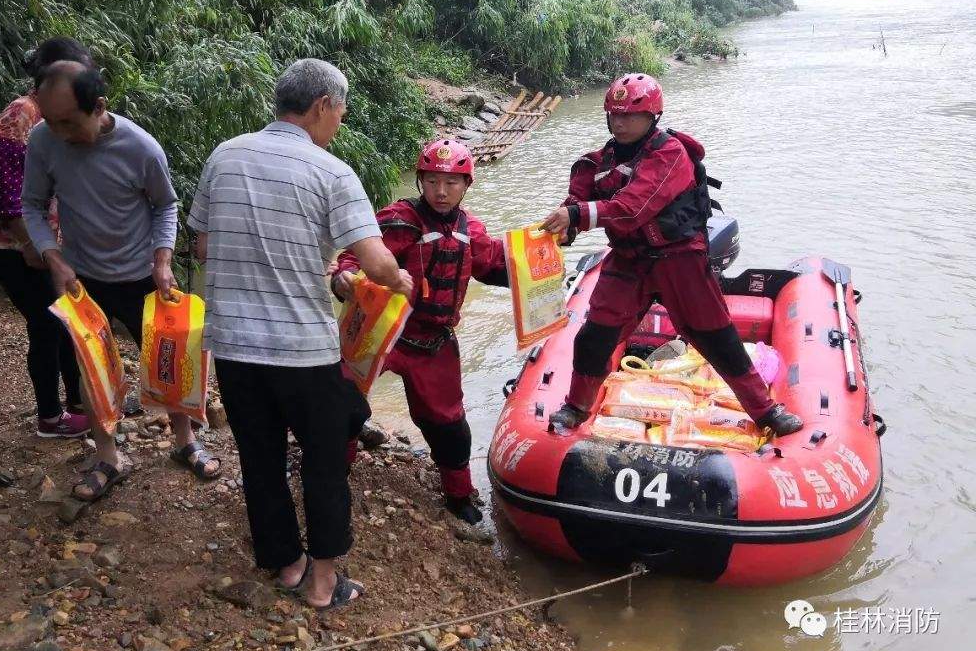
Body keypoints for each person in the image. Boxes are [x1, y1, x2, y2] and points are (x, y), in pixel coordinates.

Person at [187, 58, 412, 611]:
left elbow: (200, 247)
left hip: (235, 346)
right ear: (320, 108)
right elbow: (376, 262)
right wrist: (401, 280)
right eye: (340, 111)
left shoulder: (225, 155)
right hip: (302, 351)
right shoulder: (330, 171)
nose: (339, 121)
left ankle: (287, 565)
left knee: (259, 456)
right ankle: (323, 583)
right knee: (323, 460)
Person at [539, 73, 803, 436]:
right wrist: (564, 227)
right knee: (594, 337)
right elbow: (575, 204)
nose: (620, 122)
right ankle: (575, 407)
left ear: (653, 117)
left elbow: (632, 208)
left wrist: (577, 216)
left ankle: (766, 411)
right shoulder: (593, 165)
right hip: (629, 260)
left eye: (630, 115)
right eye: (614, 114)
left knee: (717, 338)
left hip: (680, 260)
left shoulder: (670, 155)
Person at [22, 60, 222, 501]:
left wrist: (163, 258)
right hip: (80, 279)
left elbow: (165, 206)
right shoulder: (43, 139)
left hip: (140, 275)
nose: (60, 133)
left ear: (99, 107)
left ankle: (184, 441)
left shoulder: (141, 148)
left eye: (70, 123)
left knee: (168, 358)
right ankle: (108, 456)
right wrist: (53, 258)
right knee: (89, 367)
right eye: (51, 121)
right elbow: (32, 206)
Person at [331, 139, 508, 525]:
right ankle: (333, 475)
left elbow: (496, 265)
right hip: (383, 331)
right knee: (343, 403)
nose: (441, 192)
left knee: (449, 427)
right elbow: (355, 254)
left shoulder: (471, 230)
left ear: (467, 184)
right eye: (432, 181)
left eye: (452, 182)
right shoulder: (399, 219)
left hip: (434, 342)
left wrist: (541, 262)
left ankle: (459, 495)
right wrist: (343, 276)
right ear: (420, 181)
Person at [0, 38, 94, 438]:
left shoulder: (55, 121)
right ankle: (50, 416)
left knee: (66, 322)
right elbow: (2, 190)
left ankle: (79, 401)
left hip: (47, 245)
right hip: (14, 246)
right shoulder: (21, 114)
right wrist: (30, 244)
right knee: (47, 325)